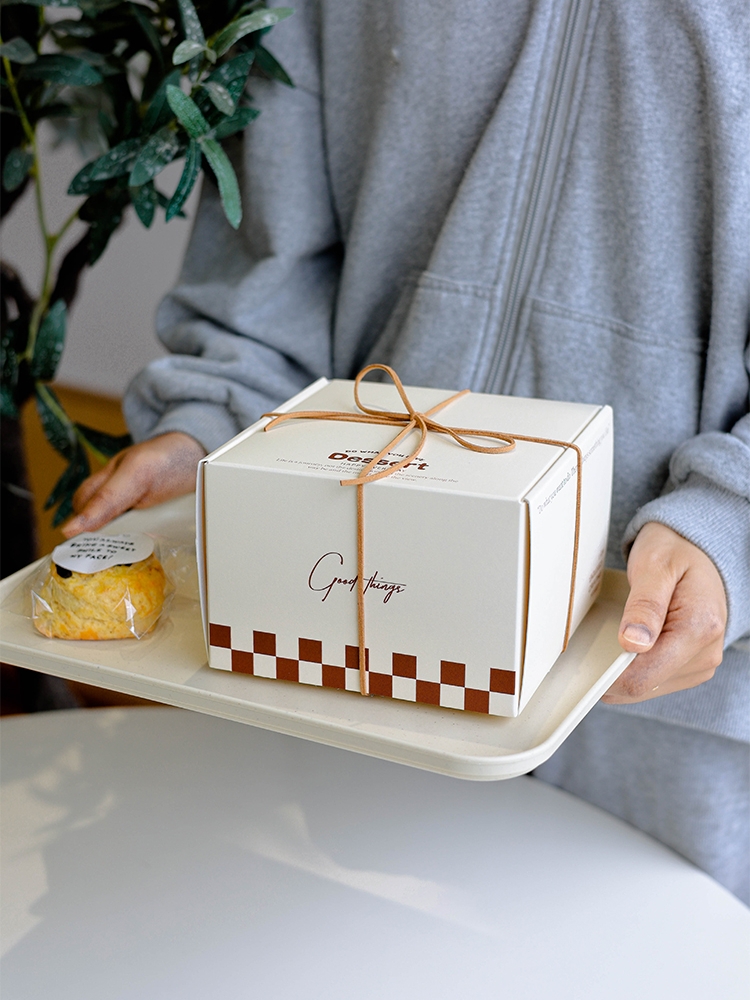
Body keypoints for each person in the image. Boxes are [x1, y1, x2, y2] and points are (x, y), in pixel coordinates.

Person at [63, 1, 749, 900]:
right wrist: (216, 424)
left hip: (666, 700)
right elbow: (276, 252)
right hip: (353, 643)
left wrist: (732, 522)